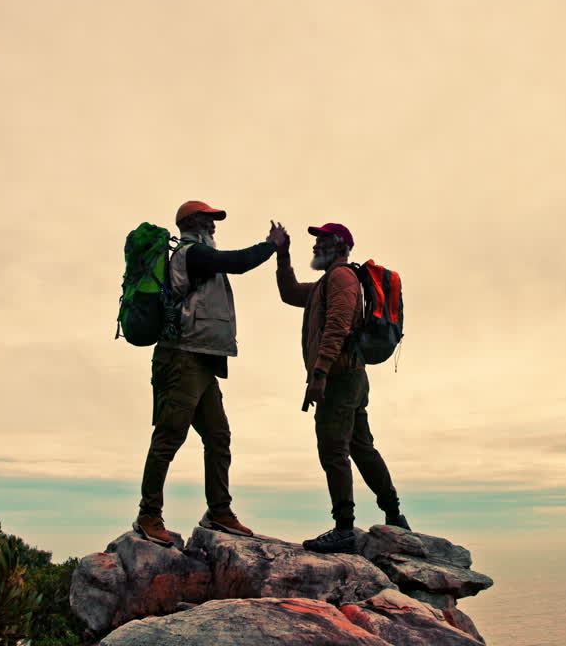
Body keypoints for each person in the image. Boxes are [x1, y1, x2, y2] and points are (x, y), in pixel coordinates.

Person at [133, 200, 279, 546]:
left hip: (202, 359)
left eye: (214, 220)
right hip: (181, 357)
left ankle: (219, 511)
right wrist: (272, 245)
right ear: (192, 222)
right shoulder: (192, 254)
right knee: (169, 437)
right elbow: (237, 263)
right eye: (208, 219)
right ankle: (148, 515)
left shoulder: (197, 254)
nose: (214, 225)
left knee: (218, 436)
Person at [269, 221, 410, 554]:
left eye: (324, 240)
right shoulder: (325, 283)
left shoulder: (342, 277)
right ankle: (394, 514)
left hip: (339, 377)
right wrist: (282, 255)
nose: (317, 245)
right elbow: (289, 293)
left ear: (343, 246)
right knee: (361, 446)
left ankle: (344, 528)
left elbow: (338, 325)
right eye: (316, 240)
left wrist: (319, 372)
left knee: (333, 449)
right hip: (349, 376)